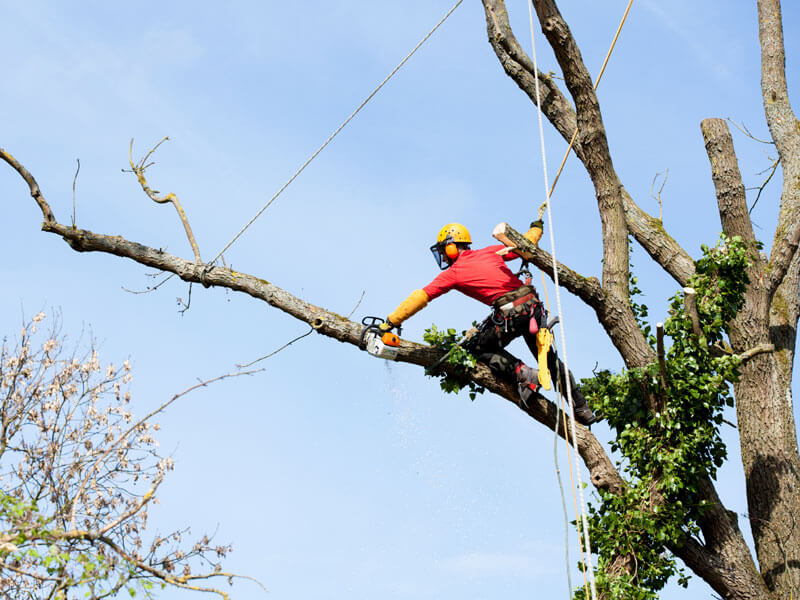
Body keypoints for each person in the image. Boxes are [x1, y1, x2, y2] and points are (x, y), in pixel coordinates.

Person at [379, 223, 597, 426]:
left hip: (512, 314)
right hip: (533, 309)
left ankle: (524, 374)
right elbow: (525, 243)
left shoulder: (453, 273)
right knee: (549, 361)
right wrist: (536, 228)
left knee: (478, 348)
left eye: (444, 251)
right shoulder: (490, 252)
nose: (443, 256)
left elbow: (421, 296)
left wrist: (391, 321)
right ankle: (582, 408)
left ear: (452, 247)